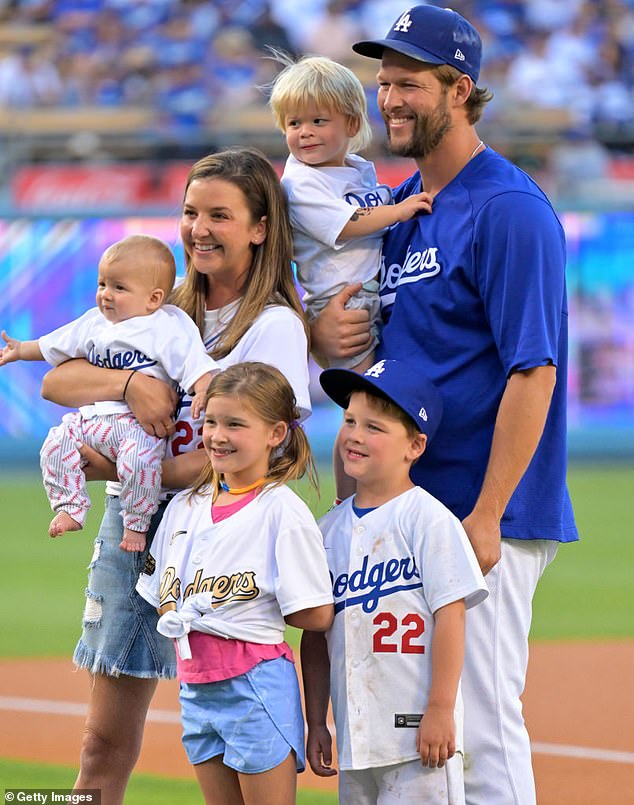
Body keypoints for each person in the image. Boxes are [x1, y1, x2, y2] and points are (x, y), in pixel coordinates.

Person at [310, 6, 579, 805]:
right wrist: (328, 337)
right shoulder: (400, 209)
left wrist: (489, 512)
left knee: (483, 723)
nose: (389, 98)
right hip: (407, 507)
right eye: (384, 81)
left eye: (410, 83)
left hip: (478, 509)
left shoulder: (508, 209)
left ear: (460, 89)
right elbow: (372, 352)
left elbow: (535, 371)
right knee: (404, 732)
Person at [38, 147, 312, 804]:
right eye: (191, 212)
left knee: (232, 750)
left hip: (223, 541)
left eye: (221, 214)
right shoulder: (162, 307)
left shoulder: (272, 325)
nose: (200, 228)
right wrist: (132, 383)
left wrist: (141, 471)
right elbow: (56, 377)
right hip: (134, 534)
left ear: (260, 227)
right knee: (101, 743)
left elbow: (266, 452)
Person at [137, 362, 334, 804]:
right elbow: (159, 597)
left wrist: (241, 603)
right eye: (210, 421)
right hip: (196, 686)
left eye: (235, 424)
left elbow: (318, 613)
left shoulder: (281, 511)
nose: (217, 435)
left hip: (255, 684)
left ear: (276, 433)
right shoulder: (185, 507)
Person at [302, 358, 488, 805]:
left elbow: (451, 616)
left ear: (415, 446)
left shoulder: (429, 520)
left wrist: (442, 709)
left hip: (417, 736)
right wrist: (315, 720)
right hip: (355, 734)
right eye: (350, 421)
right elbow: (314, 635)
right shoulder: (326, 531)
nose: (356, 436)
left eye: (375, 427)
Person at [0, 234, 216, 552]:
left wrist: (202, 390)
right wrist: (21, 350)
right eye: (103, 284)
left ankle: (135, 526)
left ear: (154, 299)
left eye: (119, 288)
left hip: (137, 427)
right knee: (54, 445)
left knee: (140, 463)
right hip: (94, 420)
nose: (106, 295)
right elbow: (54, 343)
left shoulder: (166, 327)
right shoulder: (95, 323)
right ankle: (71, 507)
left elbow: (194, 363)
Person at [269, 53, 432, 371]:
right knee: (365, 391)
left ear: (352, 124)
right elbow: (347, 223)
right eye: (293, 123)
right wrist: (398, 212)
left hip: (375, 289)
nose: (305, 132)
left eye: (318, 121)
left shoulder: (357, 168)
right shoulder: (300, 183)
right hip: (341, 301)